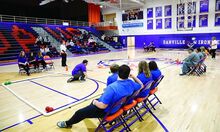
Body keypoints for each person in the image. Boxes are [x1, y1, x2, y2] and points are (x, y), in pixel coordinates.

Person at [57, 64, 143, 128]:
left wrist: (95, 102)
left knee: (79, 112)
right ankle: (88, 113)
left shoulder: (112, 87)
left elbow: (102, 106)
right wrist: (134, 77)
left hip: (107, 110)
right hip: (117, 106)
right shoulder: (131, 83)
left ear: (118, 73)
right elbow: (141, 85)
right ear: (129, 74)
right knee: (90, 106)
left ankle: (67, 124)